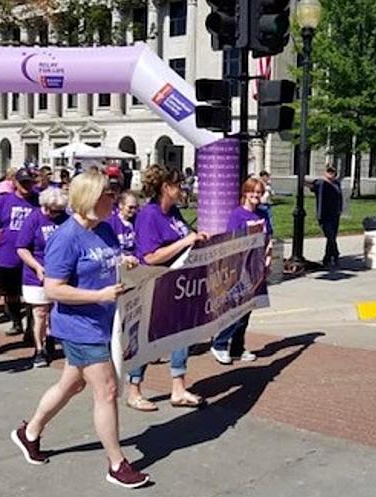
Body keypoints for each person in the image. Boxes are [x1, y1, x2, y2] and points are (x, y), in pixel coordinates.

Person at [10, 169, 148, 489]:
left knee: (71, 385)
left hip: (106, 322)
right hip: (79, 326)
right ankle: (116, 463)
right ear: (90, 199)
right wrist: (98, 295)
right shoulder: (65, 237)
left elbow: (107, 260)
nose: (113, 200)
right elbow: (54, 288)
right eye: (107, 195)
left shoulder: (105, 229)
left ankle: (29, 432)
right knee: (108, 391)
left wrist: (124, 262)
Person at [125, 165, 207, 413]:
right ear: (165, 188)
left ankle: (179, 387)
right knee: (148, 337)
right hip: (152, 282)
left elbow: (186, 236)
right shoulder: (149, 215)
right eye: (178, 185)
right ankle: (134, 389)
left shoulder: (173, 213)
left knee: (180, 334)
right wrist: (186, 241)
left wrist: (198, 238)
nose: (182, 189)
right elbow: (150, 256)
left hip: (177, 283)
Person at [210, 177, 272, 365]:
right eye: (253, 192)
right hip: (240, 268)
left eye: (260, 192)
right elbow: (231, 242)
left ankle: (237, 347)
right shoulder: (237, 215)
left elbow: (269, 237)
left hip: (257, 266)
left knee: (247, 310)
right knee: (236, 309)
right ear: (245, 193)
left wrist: (268, 261)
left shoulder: (263, 214)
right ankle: (220, 343)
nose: (257, 196)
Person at [16, 187, 70, 368]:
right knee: (40, 312)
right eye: (51, 210)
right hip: (37, 272)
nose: (54, 214)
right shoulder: (34, 218)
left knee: (57, 311)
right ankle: (39, 349)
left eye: (58, 211)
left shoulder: (66, 219)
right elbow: (22, 248)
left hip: (61, 273)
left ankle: (52, 338)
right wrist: (37, 267)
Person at [0, 168, 38, 336]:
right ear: (15, 183)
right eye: (23, 182)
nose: (27, 186)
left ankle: (31, 328)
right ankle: (16, 322)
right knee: (11, 294)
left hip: (32, 256)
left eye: (29, 182)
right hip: (8, 255)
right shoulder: (6, 201)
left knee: (31, 294)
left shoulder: (38, 201)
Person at [308, 165, 343, 268]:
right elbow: (311, 186)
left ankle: (327, 258)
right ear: (325, 173)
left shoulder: (337, 184)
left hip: (335, 214)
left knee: (332, 237)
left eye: (333, 172)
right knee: (330, 236)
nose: (331, 174)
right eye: (329, 172)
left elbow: (339, 198)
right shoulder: (321, 183)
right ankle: (335, 255)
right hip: (324, 214)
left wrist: (340, 209)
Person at [107, 190, 138, 255]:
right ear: (121, 205)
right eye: (130, 207)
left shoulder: (136, 220)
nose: (133, 210)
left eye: (135, 207)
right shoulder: (112, 221)